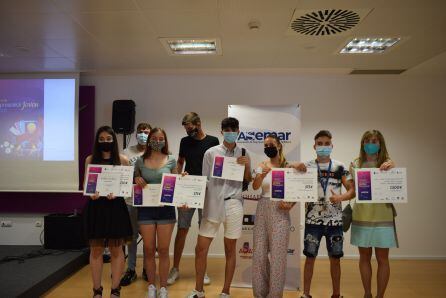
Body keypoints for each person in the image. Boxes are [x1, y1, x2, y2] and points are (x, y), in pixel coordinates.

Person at [187, 117, 252, 298]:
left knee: (230, 249)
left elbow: (248, 181)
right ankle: (198, 290)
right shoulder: (211, 153)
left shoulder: (244, 153)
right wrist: (187, 186)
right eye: (227, 129)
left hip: (234, 203)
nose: (231, 132)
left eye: (234, 129)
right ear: (222, 131)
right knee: (200, 248)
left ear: (238, 131)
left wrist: (246, 166)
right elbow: (204, 181)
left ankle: (225, 292)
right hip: (213, 202)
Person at [295, 130, 355, 298]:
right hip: (312, 222)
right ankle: (306, 294)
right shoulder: (306, 167)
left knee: (335, 259)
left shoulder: (340, 167)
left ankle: (336, 294)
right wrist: (294, 165)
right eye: (319, 144)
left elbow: (352, 190)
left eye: (326, 144)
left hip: (335, 222)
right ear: (314, 146)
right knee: (309, 258)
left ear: (331, 146)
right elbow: (289, 175)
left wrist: (341, 197)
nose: (323, 147)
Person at [167, 112, 219, 286]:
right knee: (182, 229)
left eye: (190, 127)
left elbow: (216, 165)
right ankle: (175, 268)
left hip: (207, 190)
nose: (188, 131)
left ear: (198, 123)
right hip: (188, 189)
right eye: (186, 128)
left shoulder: (213, 141)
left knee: (204, 231)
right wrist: (178, 174)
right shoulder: (185, 141)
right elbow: (180, 162)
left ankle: (201, 270)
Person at [84, 126, 133, 298]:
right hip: (97, 208)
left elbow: (127, 190)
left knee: (116, 250)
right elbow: (87, 187)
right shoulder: (90, 159)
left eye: (108, 139)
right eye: (102, 139)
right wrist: (92, 194)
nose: (105, 142)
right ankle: (97, 290)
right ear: (97, 141)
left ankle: (115, 289)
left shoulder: (123, 160)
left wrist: (118, 192)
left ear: (114, 140)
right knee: (96, 250)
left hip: (116, 208)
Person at [350, 130, 397, 298]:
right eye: (368, 140)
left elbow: (395, 187)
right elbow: (353, 191)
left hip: (383, 216)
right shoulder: (355, 164)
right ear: (363, 144)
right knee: (364, 257)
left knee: (383, 258)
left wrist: (391, 167)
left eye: (375, 140)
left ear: (380, 144)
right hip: (362, 216)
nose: (371, 143)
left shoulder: (387, 163)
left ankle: (380, 296)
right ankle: (367, 294)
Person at [134, 127, 177, 298]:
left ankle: (164, 287)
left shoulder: (171, 159)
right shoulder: (139, 161)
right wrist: (136, 179)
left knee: (164, 249)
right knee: (149, 249)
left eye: (161, 139)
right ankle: (152, 286)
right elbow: (135, 182)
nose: (157, 141)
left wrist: (183, 178)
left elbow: (177, 183)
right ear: (149, 139)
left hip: (166, 210)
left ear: (165, 141)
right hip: (145, 211)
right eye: (154, 138)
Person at [251, 134, 296, 298]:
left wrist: (290, 205)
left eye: (270, 144)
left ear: (279, 145)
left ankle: (275, 295)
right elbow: (255, 187)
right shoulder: (261, 165)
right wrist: (261, 175)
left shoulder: (288, 167)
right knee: (259, 255)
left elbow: (296, 192)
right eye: (265, 145)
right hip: (263, 207)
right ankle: (259, 294)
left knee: (278, 256)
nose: (267, 147)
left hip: (280, 210)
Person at [120, 122, 151, 286]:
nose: (143, 134)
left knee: (148, 237)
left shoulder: (156, 151)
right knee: (131, 237)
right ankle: (130, 269)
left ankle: (147, 268)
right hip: (131, 200)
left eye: (146, 132)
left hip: (149, 201)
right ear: (136, 133)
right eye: (140, 132)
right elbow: (121, 175)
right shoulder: (126, 152)